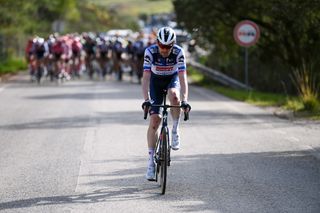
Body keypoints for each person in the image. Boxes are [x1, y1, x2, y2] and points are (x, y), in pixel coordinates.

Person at [141, 27, 191, 181]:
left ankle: (175, 130)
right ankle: (150, 163)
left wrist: (185, 100)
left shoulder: (178, 52)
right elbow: (145, 79)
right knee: (155, 121)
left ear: (173, 44)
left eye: (168, 46)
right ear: (157, 43)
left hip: (172, 79)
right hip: (155, 82)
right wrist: (146, 99)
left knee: (174, 96)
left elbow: (183, 79)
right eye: (161, 46)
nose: (164, 50)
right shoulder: (150, 52)